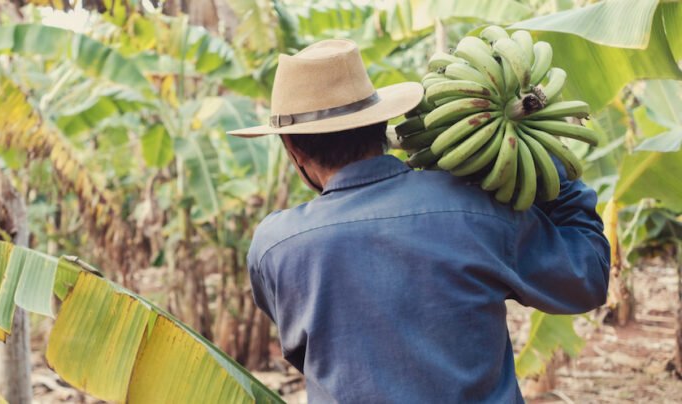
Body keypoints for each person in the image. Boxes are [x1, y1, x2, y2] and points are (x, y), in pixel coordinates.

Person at [228, 39, 610, 403]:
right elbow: (587, 277)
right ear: (380, 123)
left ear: (293, 148)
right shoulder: (477, 210)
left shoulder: (275, 246)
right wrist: (550, 164)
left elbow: (312, 349)